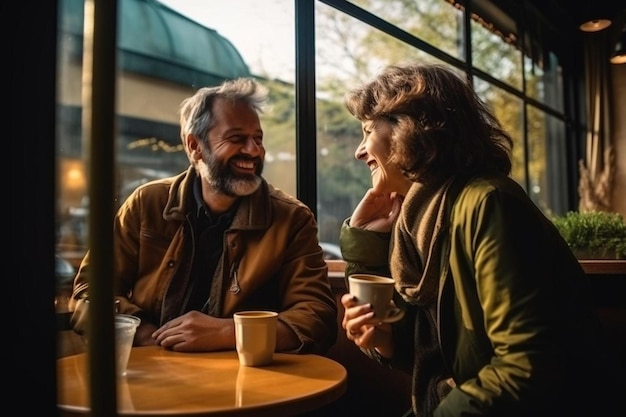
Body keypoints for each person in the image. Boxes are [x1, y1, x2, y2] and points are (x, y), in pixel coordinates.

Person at [338, 63, 622, 416]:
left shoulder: (489, 204)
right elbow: (437, 358)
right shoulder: (421, 219)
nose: (360, 151)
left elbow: (526, 369)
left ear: (407, 130)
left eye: (367, 132)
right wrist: (384, 336)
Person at [69, 77, 338, 355]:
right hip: (152, 373)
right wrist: (146, 335)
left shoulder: (292, 218)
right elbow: (89, 294)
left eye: (258, 139)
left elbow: (317, 318)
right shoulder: (145, 203)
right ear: (194, 145)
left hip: (248, 381)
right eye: (237, 138)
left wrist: (227, 332)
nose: (254, 150)